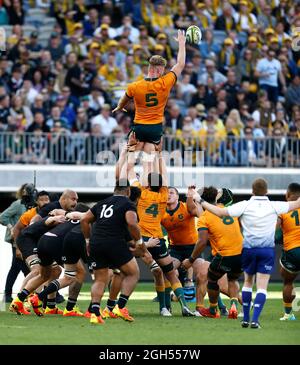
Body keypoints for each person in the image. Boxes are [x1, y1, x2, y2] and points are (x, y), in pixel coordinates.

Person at [196, 178, 300, 328]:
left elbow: (219, 212)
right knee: (262, 287)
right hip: (266, 251)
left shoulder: (244, 205)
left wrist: (199, 199)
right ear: (267, 191)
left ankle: (245, 318)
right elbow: (297, 203)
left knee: (247, 283)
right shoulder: (276, 205)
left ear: (252, 191)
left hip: (249, 250)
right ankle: (255, 320)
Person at [112, 29, 186, 155]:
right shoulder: (164, 82)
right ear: (160, 69)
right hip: (155, 126)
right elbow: (180, 64)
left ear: (149, 67)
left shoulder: (136, 85)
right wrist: (181, 44)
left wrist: (120, 106)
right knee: (153, 158)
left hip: (140, 125)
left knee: (127, 157)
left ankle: (126, 173)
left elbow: (125, 98)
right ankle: (152, 174)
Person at [80, 179, 143, 324]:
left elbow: (84, 220)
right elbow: (132, 223)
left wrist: (88, 241)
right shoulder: (128, 204)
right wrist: (139, 242)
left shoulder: (101, 203)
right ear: (128, 191)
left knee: (100, 279)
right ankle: (120, 307)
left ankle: (95, 313)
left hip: (96, 243)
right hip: (114, 242)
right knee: (133, 273)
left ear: (115, 189)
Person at [183, 186, 243, 319]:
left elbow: (202, 241)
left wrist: (191, 260)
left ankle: (212, 309)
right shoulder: (232, 211)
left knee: (211, 279)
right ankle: (233, 306)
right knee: (232, 279)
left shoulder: (206, 216)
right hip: (241, 253)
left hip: (224, 254)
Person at [161, 186, 209, 313]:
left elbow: (196, 212)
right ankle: (166, 308)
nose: (168, 195)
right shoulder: (161, 211)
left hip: (192, 248)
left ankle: (203, 308)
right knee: (164, 271)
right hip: (175, 249)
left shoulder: (185, 206)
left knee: (202, 275)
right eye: (166, 193)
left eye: (171, 193)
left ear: (177, 197)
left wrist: (190, 196)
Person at [0, 184, 29, 303]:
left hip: (26, 239)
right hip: (17, 239)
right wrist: (12, 227)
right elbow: (3, 217)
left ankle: (8, 294)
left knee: (16, 267)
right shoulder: (18, 204)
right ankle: (27, 293)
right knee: (24, 267)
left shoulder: (30, 205)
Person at [277, 183, 300, 321]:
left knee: (288, 282)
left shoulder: (283, 209)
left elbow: (273, 230)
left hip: (293, 251)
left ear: (288, 194)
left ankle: (288, 314)